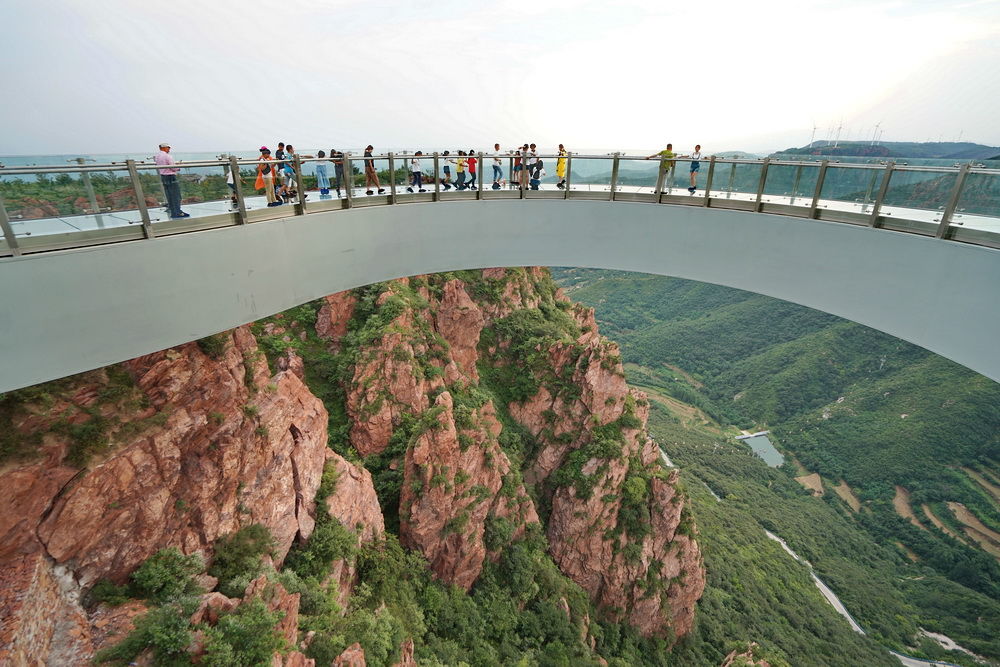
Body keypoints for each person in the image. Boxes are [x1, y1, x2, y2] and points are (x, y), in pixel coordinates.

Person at [154, 143, 188, 218]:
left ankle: (172, 211)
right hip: (170, 177)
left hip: (163, 176)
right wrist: (179, 166)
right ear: (164, 148)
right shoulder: (167, 156)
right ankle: (177, 212)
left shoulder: (157, 156)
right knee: (176, 195)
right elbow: (173, 168)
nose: (169, 149)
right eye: (168, 148)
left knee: (169, 195)